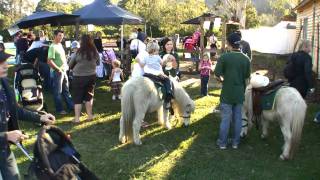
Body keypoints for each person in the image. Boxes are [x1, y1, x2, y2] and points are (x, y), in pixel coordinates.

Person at [0, 51, 55, 180]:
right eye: (1, 63)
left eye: (5, 62)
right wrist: (6, 135)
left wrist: (40, 117)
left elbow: (14, 110)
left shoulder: (3, 84)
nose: (6, 66)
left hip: (3, 150)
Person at [214, 32, 251, 150]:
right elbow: (246, 77)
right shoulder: (246, 59)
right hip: (239, 92)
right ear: (239, 44)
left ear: (229, 44)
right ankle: (235, 143)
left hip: (227, 92)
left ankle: (223, 143)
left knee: (225, 118)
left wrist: (222, 80)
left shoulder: (224, 57)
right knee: (238, 118)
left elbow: (217, 74)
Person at [68, 35, 99, 123]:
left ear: (81, 42)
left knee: (78, 97)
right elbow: (98, 62)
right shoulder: (94, 51)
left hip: (78, 77)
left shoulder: (78, 52)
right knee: (89, 96)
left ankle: (77, 118)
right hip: (91, 76)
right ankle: (89, 116)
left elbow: (70, 65)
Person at [47, 30, 74, 115]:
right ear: (55, 36)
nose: (61, 37)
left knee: (66, 90)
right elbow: (49, 61)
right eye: (59, 35)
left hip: (64, 71)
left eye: (62, 36)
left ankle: (71, 106)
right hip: (58, 72)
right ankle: (59, 109)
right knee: (58, 92)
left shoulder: (60, 45)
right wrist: (58, 69)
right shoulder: (52, 47)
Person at [142, 41, 173, 109]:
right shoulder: (157, 57)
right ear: (154, 50)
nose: (158, 52)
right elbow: (163, 64)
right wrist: (166, 60)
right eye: (157, 50)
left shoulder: (145, 57)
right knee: (167, 80)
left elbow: (143, 65)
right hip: (157, 75)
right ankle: (168, 97)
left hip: (146, 74)